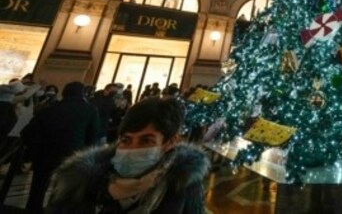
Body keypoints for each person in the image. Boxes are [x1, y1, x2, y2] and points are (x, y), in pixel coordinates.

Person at [47, 96, 210, 213]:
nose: (132, 149)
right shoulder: (78, 180)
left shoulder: (183, 183)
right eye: (126, 140)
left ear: (169, 143)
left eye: (146, 141)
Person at [22, 81, 100, 212]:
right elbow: (93, 136)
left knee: (38, 187)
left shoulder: (50, 108)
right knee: (61, 190)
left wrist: (33, 151)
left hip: (45, 153)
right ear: (82, 94)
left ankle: (32, 210)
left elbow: (29, 132)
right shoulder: (90, 110)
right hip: (72, 154)